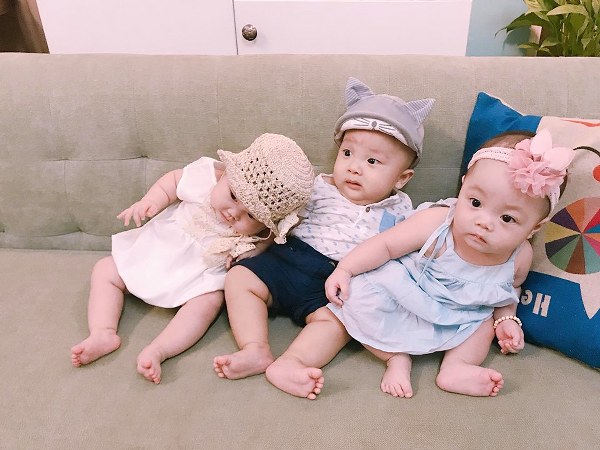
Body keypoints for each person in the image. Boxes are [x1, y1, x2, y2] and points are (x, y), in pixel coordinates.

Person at [266, 128, 574, 399]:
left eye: (507, 218)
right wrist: (346, 269)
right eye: (475, 203)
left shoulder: (519, 256)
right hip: (404, 294)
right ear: (463, 187)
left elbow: (508, 292)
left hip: (461, 314)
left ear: (533, 228)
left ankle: (456, 367)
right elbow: (386, 245)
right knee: (354, 301)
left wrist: (506, 320)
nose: (484, 222)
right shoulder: (439, 222)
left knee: (482, 326)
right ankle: (365, 357)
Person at [213, 77, 435, 381]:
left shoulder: (401, 211)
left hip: (334, 283)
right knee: (239, 278)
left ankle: (293, 363)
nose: (354, 167)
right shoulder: (319, 187)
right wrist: (259, 245)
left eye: (372, 161)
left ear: (401, 178)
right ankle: (255, 348)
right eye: (347, 153)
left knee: (341, 324)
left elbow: (403, 249)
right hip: (288, 258)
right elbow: (285, 219)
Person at [70, 133, 315, 384]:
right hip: (158, 249)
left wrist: (250, 252)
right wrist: (151, 201)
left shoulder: (264, 232)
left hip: (200, 275)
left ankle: (160, 350)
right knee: (105, 270)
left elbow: (266, 241)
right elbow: (173, 181)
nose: (233, 212)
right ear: (225, 174)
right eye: (233, 196)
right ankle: (102, 332)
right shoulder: (205, 178)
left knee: (209, 301)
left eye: (251, 215)